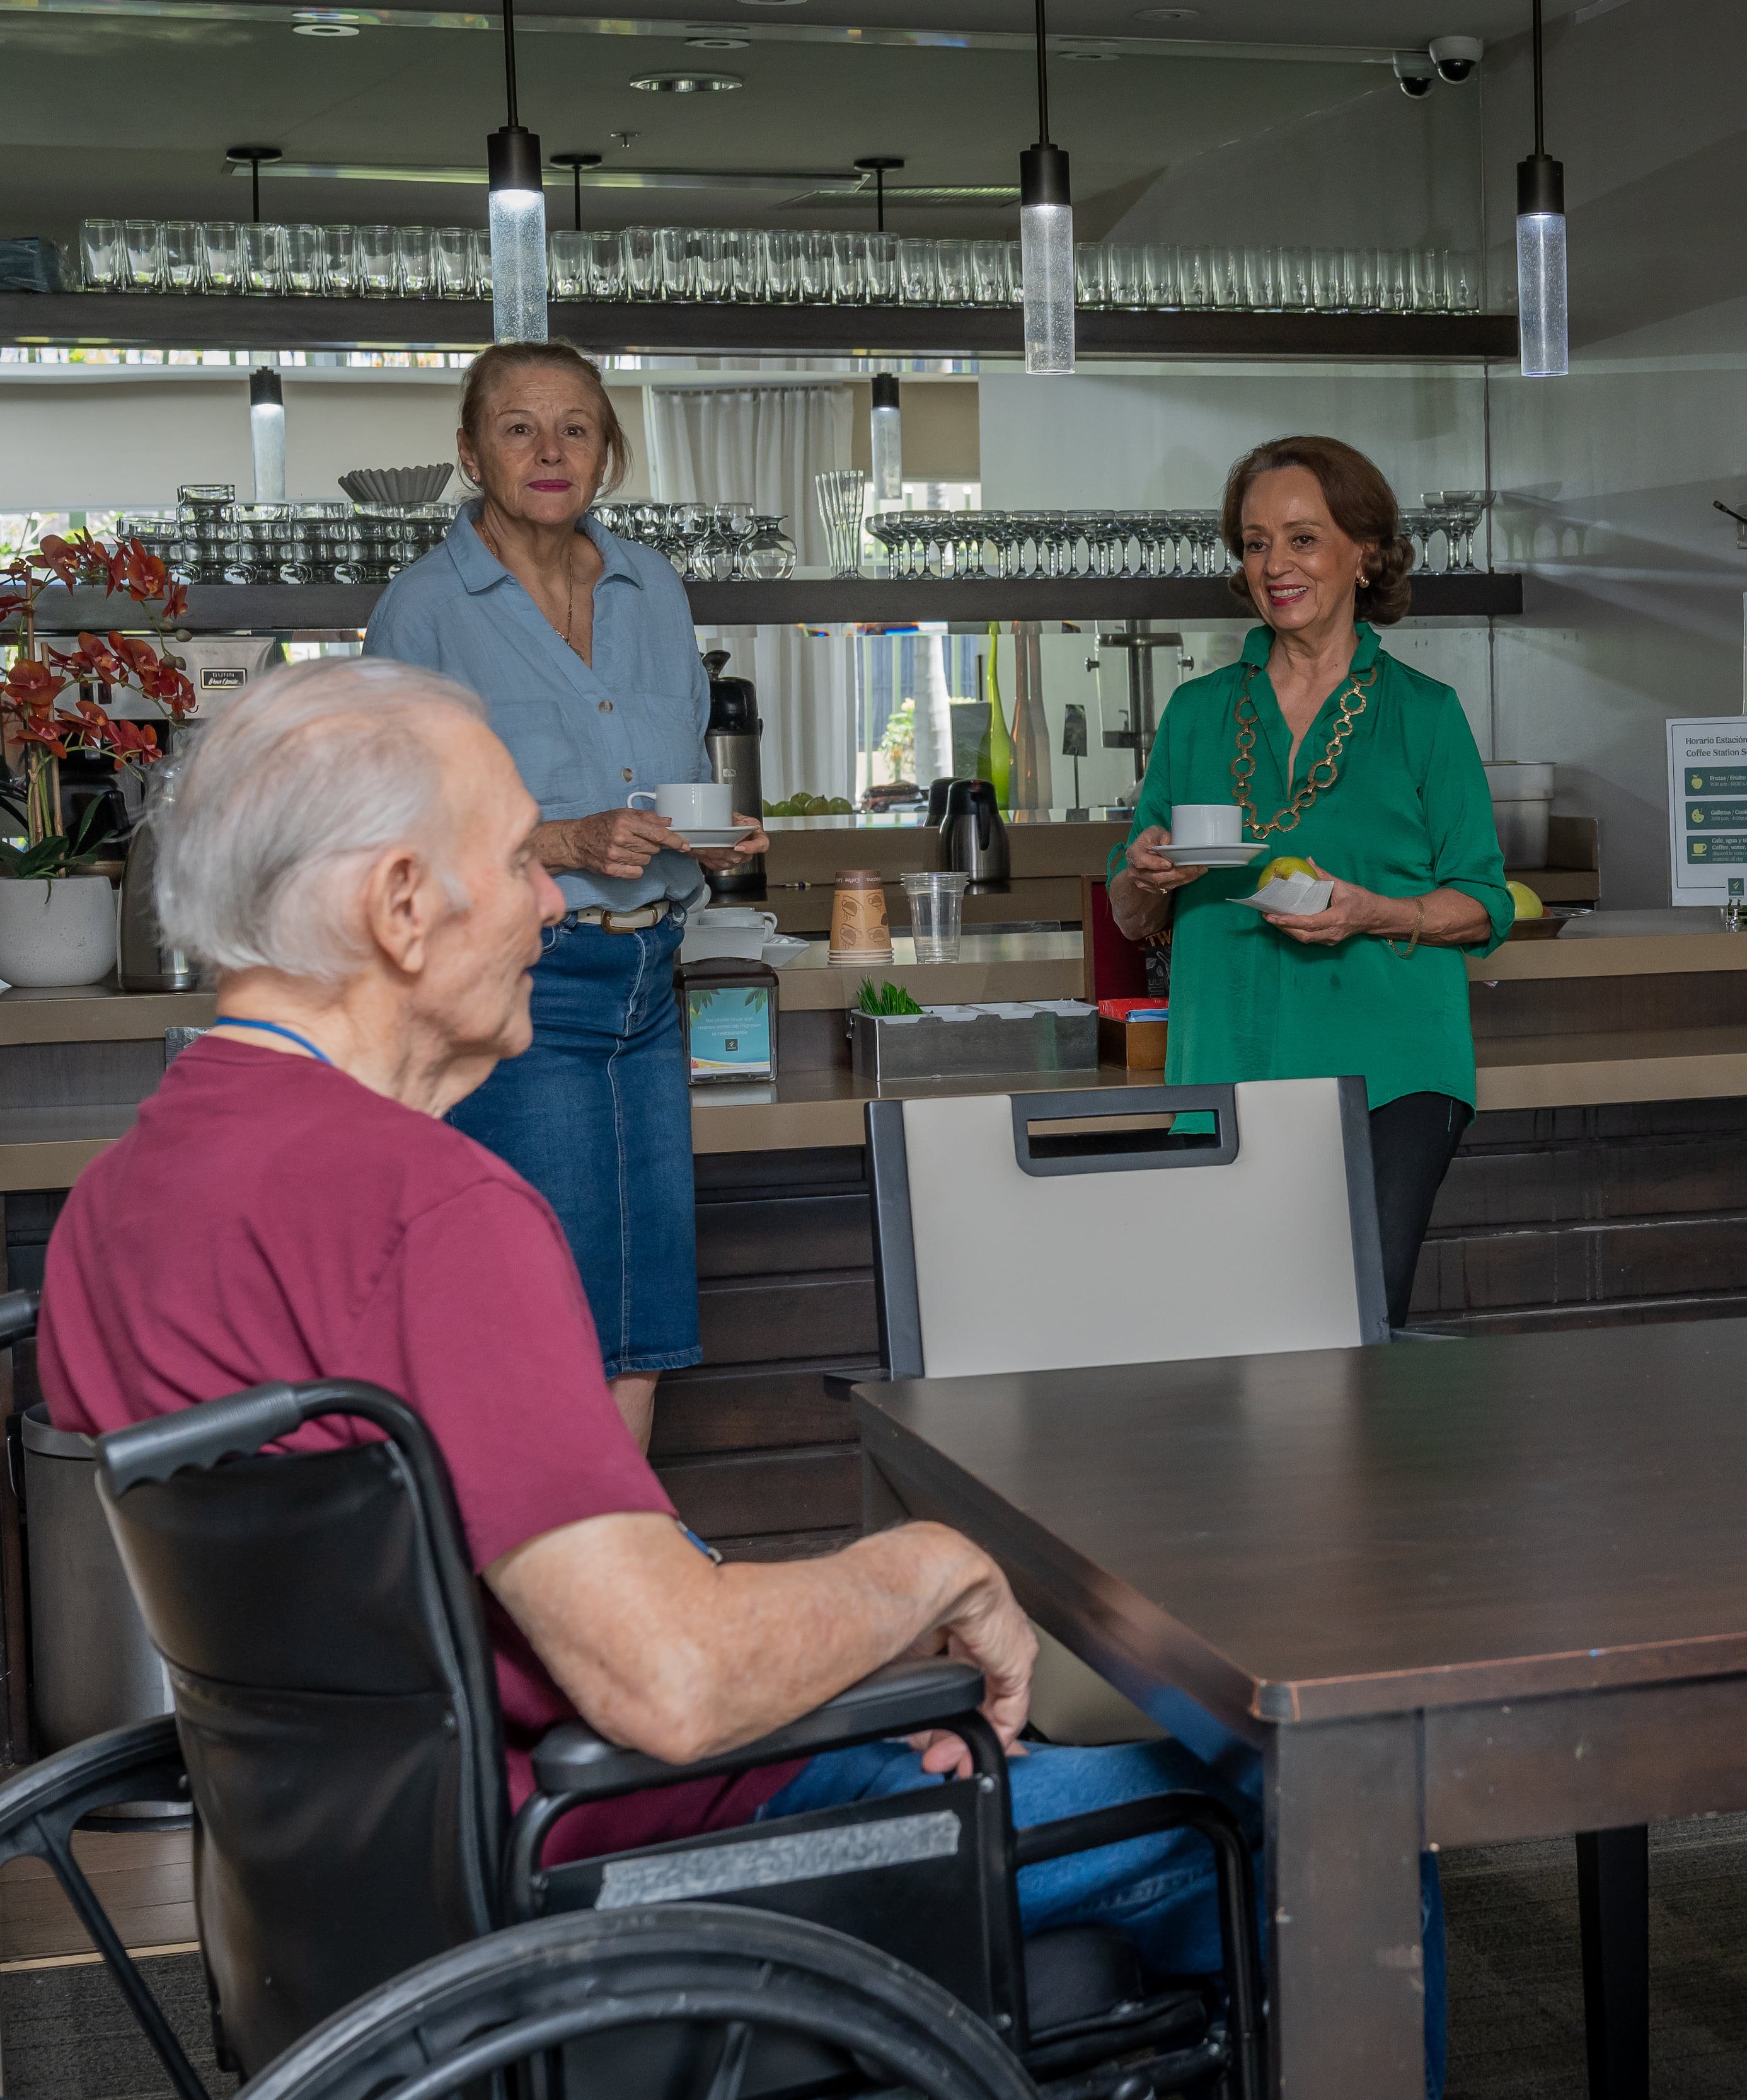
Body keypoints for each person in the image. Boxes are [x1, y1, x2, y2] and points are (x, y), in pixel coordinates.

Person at [38, 659, 1234, 1971]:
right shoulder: (432, 1211)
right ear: (399, 906)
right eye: (518, 858)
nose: (556, 901)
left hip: (359, 1922)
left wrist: (841, 1691)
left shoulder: (112, 1207)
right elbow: (667, 1680)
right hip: (618, 1884)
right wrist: (929, 1568)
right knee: (1265, 1810)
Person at [362, 340, 764, 1449]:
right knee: (549, 1305)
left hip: (651, 978)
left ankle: (619, 1566)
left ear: (608, 453)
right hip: (521, 990)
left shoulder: (654, 588)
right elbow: (394, 830)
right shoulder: (425, 609)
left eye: (576, 428)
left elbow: (674, 773)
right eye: (519, 427)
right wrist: (563, 836)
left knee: (644, 1305)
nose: (550, 451)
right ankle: (550, 1586)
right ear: (469, 452)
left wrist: (709, 841)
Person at [1106, 433, 1513, 1331]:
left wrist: (1379, 912)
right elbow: (1131, 914)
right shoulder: (1196, 712)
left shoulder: (1424, 714)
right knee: (1235, 1340)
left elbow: (1483, 902)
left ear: (1364, 553)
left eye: (1302, 537)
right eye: (1255, 542)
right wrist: (1148, 877)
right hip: (1225, 1069)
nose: (1274, 565)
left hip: (1392, 1074)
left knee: (1352, 1331)